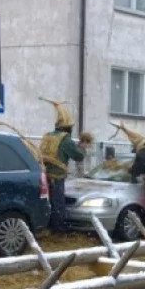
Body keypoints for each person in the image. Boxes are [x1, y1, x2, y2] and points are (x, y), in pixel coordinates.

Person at [39, 99, 90, 234]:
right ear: (67, 128)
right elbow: (78, 157)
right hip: (57, 178)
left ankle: (47, 227)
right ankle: (58, 230)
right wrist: (82, 147)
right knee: (58, 204)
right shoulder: (65, 139)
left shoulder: (47, 136)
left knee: (47, 203)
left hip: (44, 176)